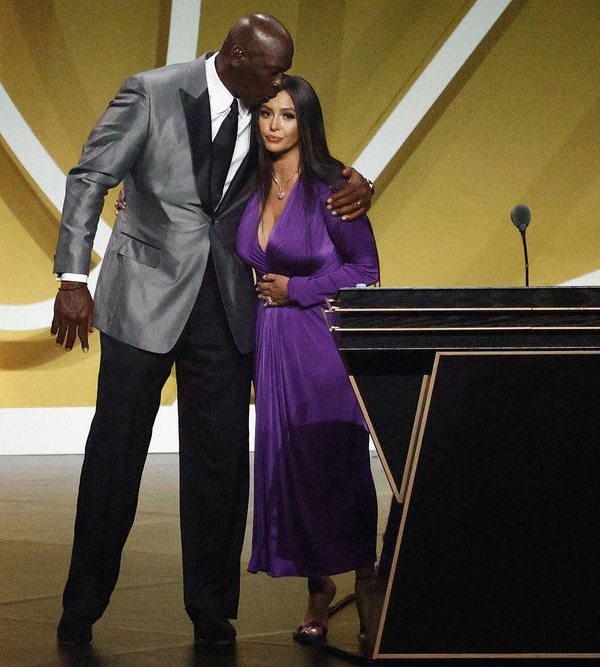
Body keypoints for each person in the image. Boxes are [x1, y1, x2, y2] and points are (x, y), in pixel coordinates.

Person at [49, 14, 373, 649]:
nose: (280, 83)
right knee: (115, 456)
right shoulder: (152, 92)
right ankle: (82, 604)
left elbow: (310, 166)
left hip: (225, 308)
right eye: (273, 70)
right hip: (142, 298)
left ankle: (211, 609)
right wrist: (72, 277)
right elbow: (91, 177)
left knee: (220, 465)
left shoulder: (265, 114)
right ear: (238, 57)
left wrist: (365, 184)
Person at [235, 75, 381, 648]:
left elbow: (366, 272)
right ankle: (318, 592)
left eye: (288, 115)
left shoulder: (334, 190)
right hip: (272, 346)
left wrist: (297, 289)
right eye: (266, 113)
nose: (274, 124)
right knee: (290, 470)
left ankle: (367, 583)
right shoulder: (247, 182)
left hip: (320, 345)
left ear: (306, 122)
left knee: (335, 466)